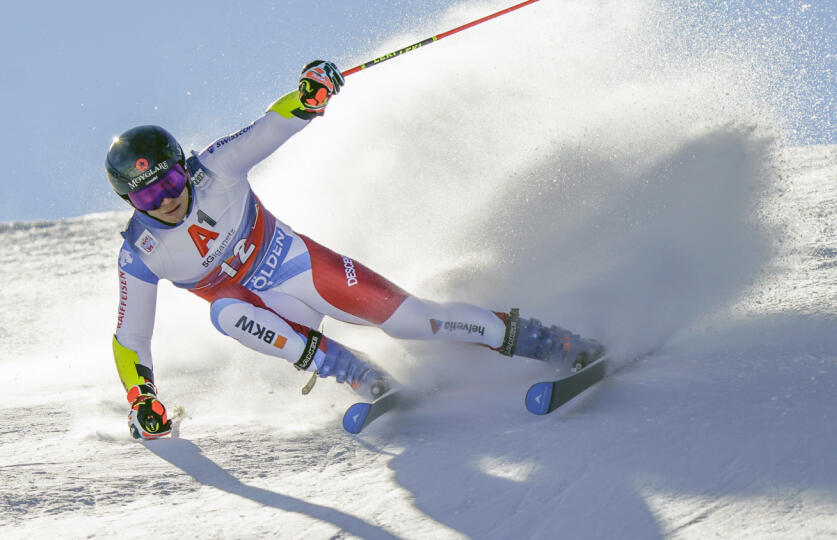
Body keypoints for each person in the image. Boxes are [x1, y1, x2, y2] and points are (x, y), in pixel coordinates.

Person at [108, 60, 604, 440]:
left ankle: (553, 344)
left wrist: (309, 96)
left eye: (169, 180)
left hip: (303, 267)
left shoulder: (214, 168)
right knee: (226, 314)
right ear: (129, 201)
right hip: (269, 310)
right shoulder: (142, 251)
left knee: (414, 322)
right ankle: (354, 372)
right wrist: (142, 398)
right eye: (148, 195)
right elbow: (131, 337)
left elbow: (270, 126)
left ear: (181, 164)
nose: (168, 198)